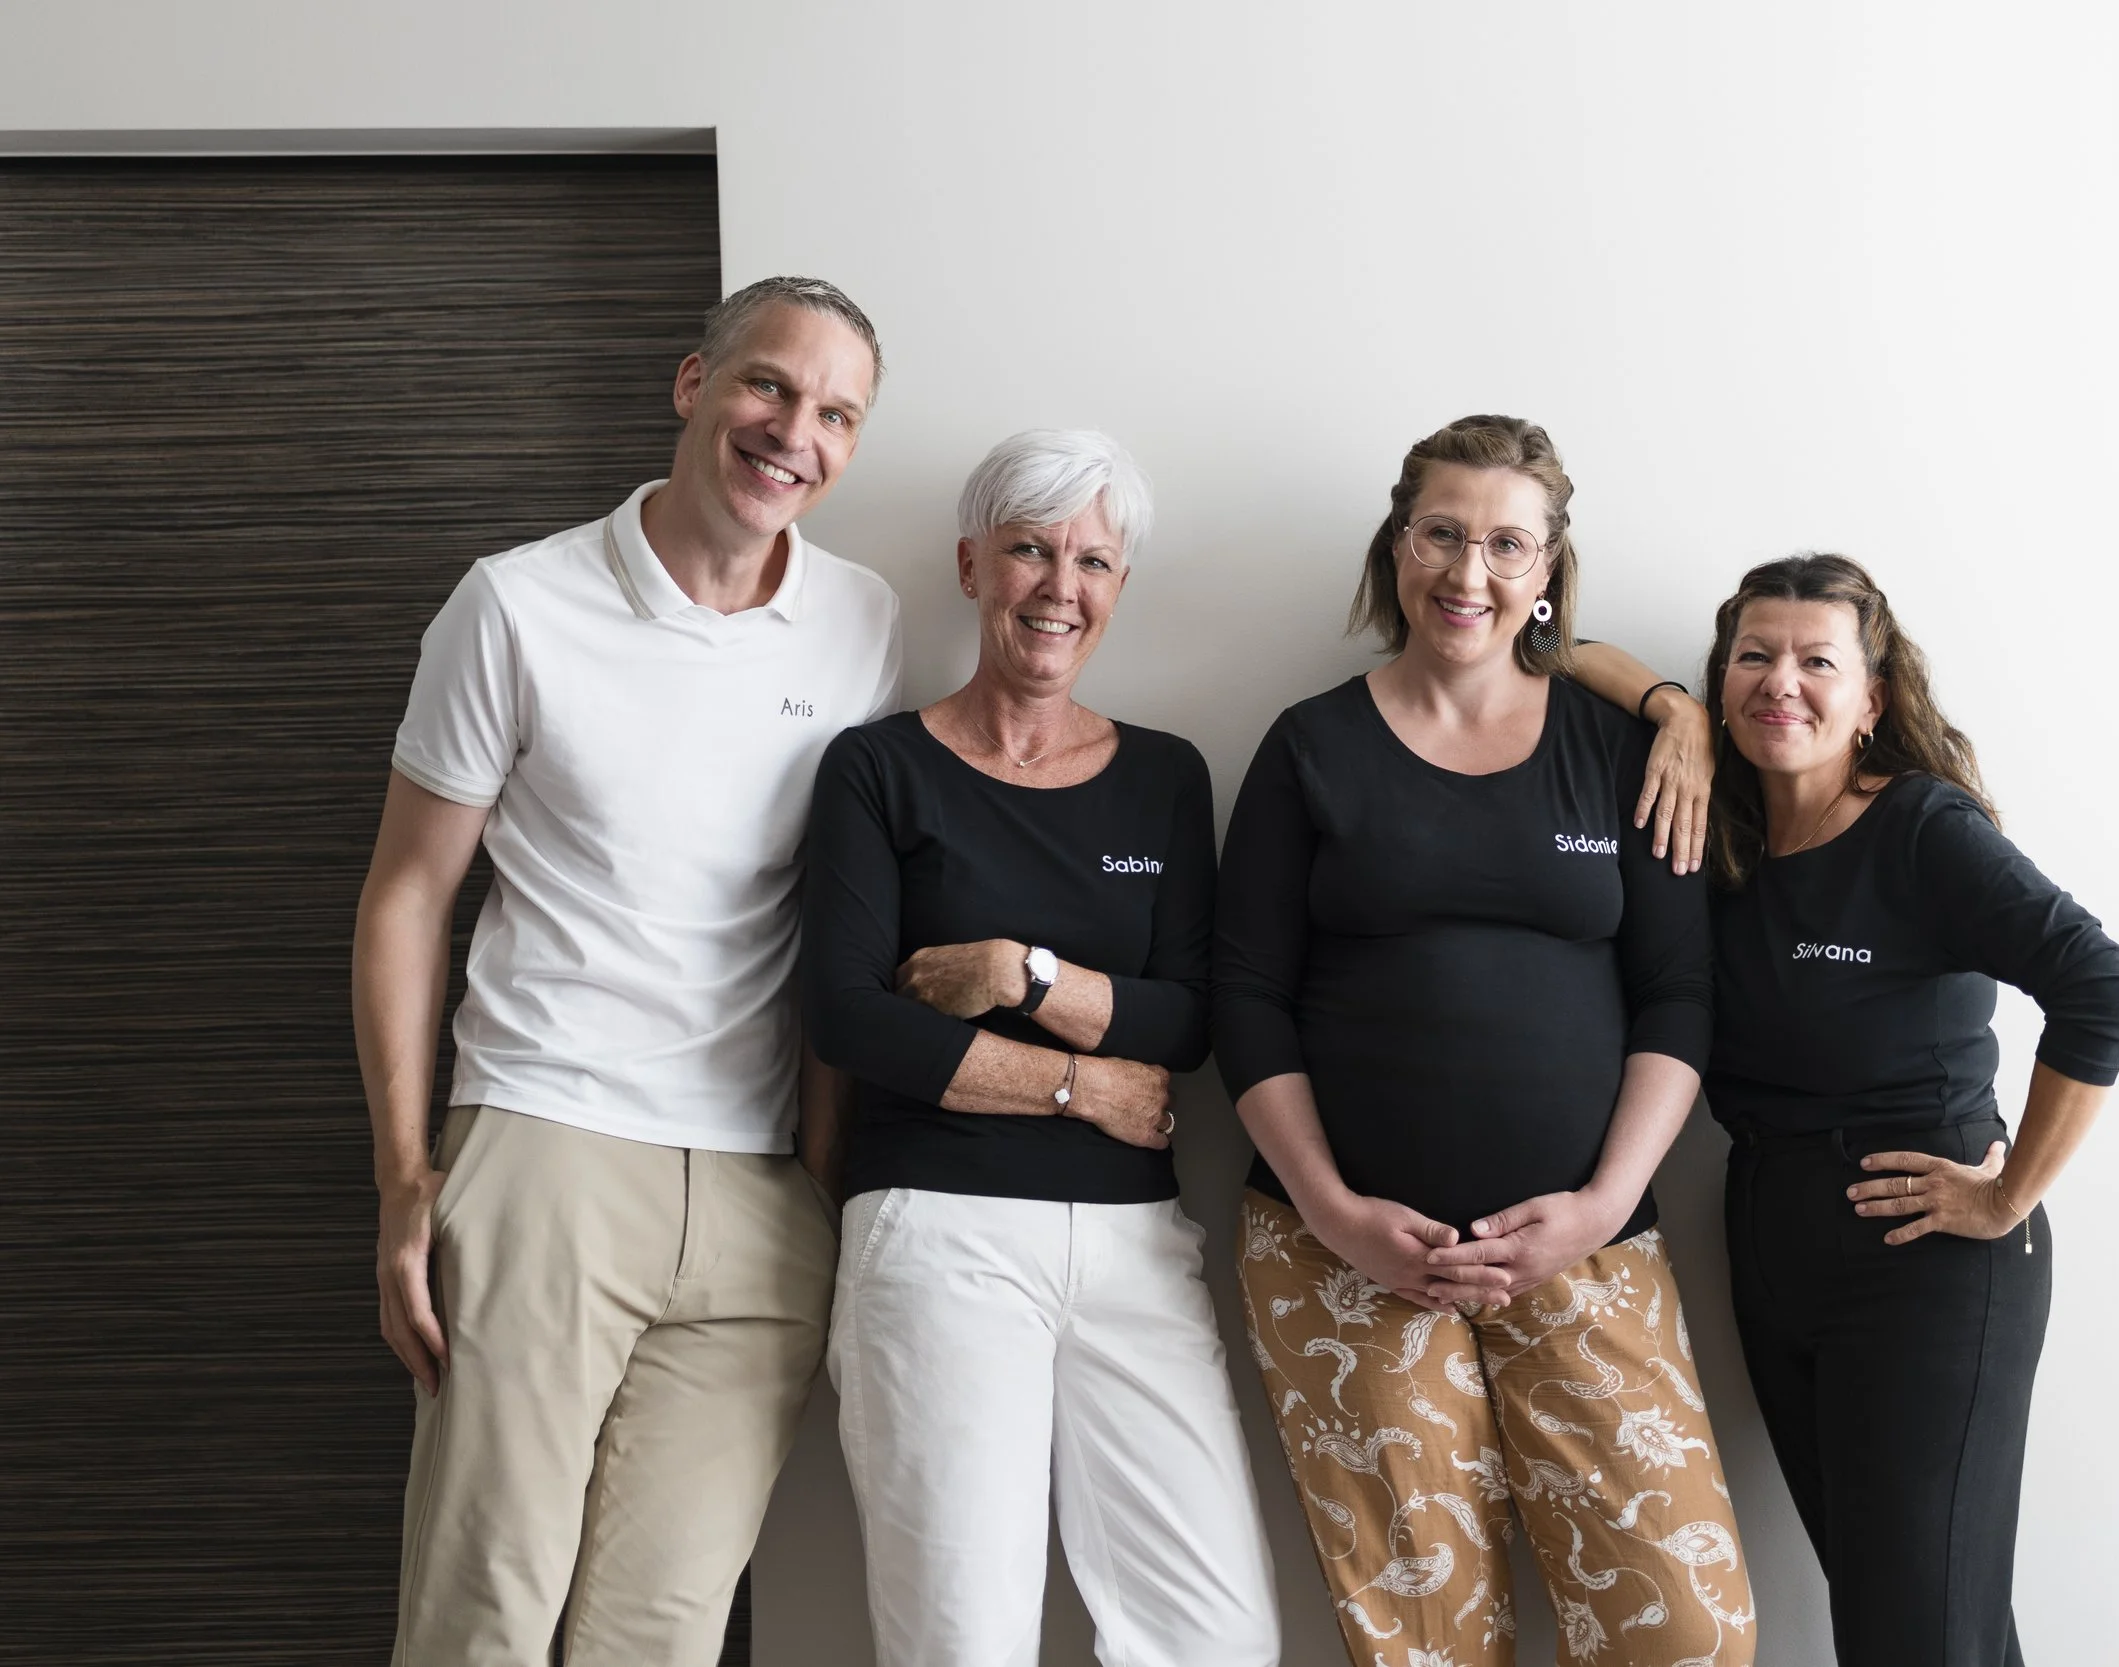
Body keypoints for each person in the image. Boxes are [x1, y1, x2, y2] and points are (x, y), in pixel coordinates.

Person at [352, 275, 898, 1666]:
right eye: (769, 384)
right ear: (693, 383)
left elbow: (840, 910)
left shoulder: (862, 621)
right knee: (484, 1615)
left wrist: (820, 1171)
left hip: (760, 1195)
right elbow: (408, 893)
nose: (795, 433)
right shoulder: (517, 602)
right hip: (549, 1146)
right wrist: (406, 1176)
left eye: (836, 413)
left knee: (659, 1637)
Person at [1214, 414, 1757, 1666]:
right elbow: (1245, 995)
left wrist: (1603, 1203)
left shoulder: (1620, 748)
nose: (1470, 572)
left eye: (1507, 543)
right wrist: (1336, 1209)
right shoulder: (1309, 746)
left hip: (1585, 1247)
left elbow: (1677, 994)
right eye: (1441, 534)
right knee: (1426, 1643)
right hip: (1343, 1258)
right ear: (1396, 546)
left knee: (1687, 1632)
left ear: (1549, 566)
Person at [800, 429, 1281, 1667]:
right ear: (972, 565)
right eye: (1029, 549)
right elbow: (850, 1016)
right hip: (936, 1231)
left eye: (1094, 561)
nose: (1060, 587)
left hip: (1134, 1245)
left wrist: (1023, 973)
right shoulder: (877, 767)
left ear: (1119, 585)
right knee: (963, 1639)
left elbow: (1187, 1020)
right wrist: (1079, 1084)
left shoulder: (1165, 776)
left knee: (1216, 1639)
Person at [1697, 554, 2119, 1666]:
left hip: (1924, 1260)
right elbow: (1572, 657)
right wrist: (1660, 709)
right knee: (1915, 1621)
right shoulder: (1723, 837)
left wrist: (2008, 1195)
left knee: (1918, 1631)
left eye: (1816, 660)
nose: (1779, 681)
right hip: (1769, 1238)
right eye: (1752, 655)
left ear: (1873, 699)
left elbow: (2102, 987)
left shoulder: (1919, 828)